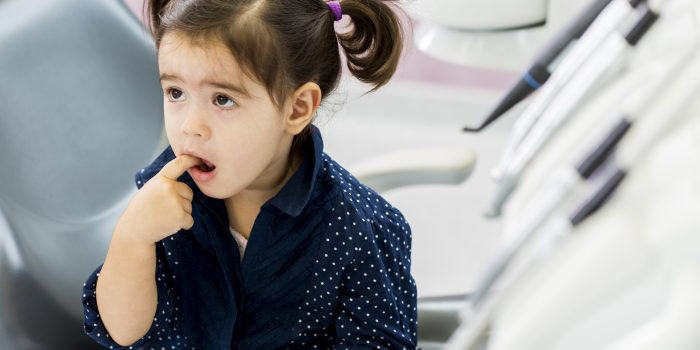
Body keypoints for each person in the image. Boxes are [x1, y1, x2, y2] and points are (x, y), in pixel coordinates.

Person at [81, 0, 418, 348]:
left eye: (223, 99)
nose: (190, 127)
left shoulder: (359, 229)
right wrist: (132, 239)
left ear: (297, 108)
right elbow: (123, 332)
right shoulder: (164, 199)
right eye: (176, 92)